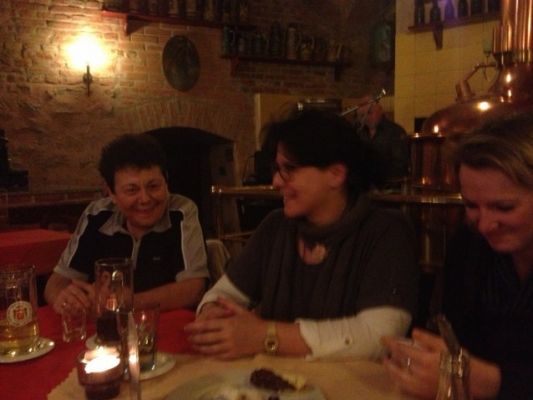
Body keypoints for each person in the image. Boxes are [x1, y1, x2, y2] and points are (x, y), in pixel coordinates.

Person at [184, 109, 419, 360]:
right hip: (275, 380)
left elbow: (379, 338)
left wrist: (266, 335)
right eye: (277, 169)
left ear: (336, 174)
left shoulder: (387, 231)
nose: (276, 181)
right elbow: (224, 294)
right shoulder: (276, 227)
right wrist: (212, 312)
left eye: (289, 169)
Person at [382, 112, 533, 399]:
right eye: (471, 205)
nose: (485, 225)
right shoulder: (470, 245)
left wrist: (490, 382)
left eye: (504, 207)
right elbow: (454, 340)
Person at [44, 133, 210, 314]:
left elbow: (194, 289)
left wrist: (125, 302)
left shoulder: (181, 211)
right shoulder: (96, 215)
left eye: (154, 186)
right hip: (104, 327)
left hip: (164, 325)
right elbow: (57, 282)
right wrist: (64, 298)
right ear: (111, 193)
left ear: (166, 181)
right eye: (132, 190)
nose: (145, 199)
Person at [355, 96, 410, 182]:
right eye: (362, 115)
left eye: (369, 113)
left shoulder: (395, 131)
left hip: (390, 184)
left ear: (380, 110)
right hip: (364, 184)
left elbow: (400, 164)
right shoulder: (359, 132)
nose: (366, 118)